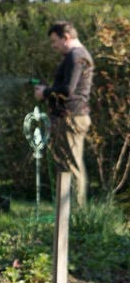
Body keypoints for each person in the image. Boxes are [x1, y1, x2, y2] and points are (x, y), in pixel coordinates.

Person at [34, 20, 93, 209]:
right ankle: (66, 214)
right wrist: (49, 89)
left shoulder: (76, 56)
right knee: (67, 166)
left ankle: (76, 214)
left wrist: (45, 92)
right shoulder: (75, 56)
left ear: (66, 37)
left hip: (72, 118)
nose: (54, 46)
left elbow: (68, 90)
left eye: (55, 41)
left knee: (72, 167)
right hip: (69, 118)